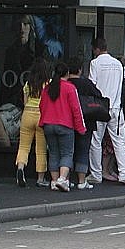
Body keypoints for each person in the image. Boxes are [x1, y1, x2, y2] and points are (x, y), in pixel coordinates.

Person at [87, 37, 125, 185]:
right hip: (116, 107)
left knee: (96, 141)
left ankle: (96, 174)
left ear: (96, 49)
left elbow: (92, 85)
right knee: (119, 141)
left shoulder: (95, 63)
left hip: (100, 107)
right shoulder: (118, 64)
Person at [38, 60, 85, 192]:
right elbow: (76, 109)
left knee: (53, 153)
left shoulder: (47, 88)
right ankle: (62, 179)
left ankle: (54, 181)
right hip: (65, 124)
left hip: (48, 124)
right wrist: (81, 128)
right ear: (68, 73)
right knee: (67, 153)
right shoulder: (70, 88)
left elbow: (41, 106)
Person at [67, 57, 103, 190]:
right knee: (83, 150)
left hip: (68, 120)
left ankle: (66, 178)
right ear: (80, 69)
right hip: (86, 120)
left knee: (68, 151)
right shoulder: (86, 83)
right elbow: (99, 95)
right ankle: (82, 180)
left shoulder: (66, 83)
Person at [14, 58, 50, 187]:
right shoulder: (48, 84)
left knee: (24, 146)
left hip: (27, 113)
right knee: (41, 149)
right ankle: (40, 178)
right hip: (41, 115)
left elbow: (24, 102)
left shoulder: (28, 84)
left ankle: (20, 168)